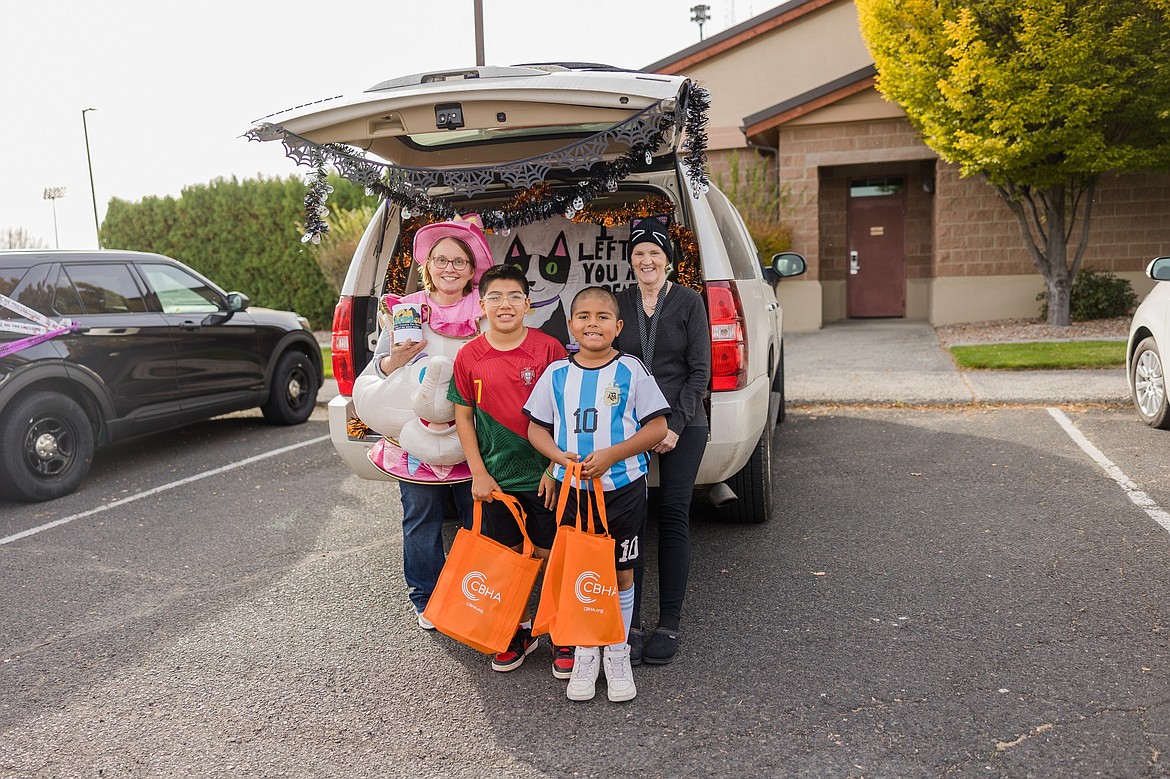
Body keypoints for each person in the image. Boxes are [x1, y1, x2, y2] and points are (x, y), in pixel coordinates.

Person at [524, 286, 670, 703]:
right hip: (574, 494)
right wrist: (557, 459)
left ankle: (618, 649)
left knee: (622, 570)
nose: (593, 323)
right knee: (580, 572)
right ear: (571, 325)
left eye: (603, 317)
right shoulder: (556, 375)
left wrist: (611, 455)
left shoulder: (632, 370)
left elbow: (656, 428)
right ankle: (587, 650)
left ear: (618, 326)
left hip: (622, 489)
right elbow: (537, 428)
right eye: (583, 316)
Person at [357, 214, 493, 630]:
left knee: (478, 517)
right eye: (441, 259)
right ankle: (427, 595)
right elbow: (377, 370)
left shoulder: (487, 309)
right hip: (415, 436)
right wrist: (395, 358)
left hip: (473, 434)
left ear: (473, 270)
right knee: (421, 516)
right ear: (427, 264)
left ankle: (477, 590)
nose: (449, 268)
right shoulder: (407, 310)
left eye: (459, 261)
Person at [449, 263, 568, 675]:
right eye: (495, 297)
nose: (505, 304)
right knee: (507, 558)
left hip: (544, 477)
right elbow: (463, 418)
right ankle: (514, 630)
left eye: (514, 296)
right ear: (481, 306)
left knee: (552, 552)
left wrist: (555, 466)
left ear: (528, 304)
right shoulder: (468, 356)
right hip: (496, 480)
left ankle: (558, 632)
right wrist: (478, 473)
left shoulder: (549, 348)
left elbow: (564, 413)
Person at [615, 214, 712, 666]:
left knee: (673, 512)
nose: (646, 260)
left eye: (654, 253)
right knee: (631, 520)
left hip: (683, 423)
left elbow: (700, 373)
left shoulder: (689, 302)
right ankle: (628, 623)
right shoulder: (620, 302)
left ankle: (668, 622)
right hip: (630, 426)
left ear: (668, 260)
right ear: (631, 262)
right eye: (638, 254)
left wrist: (673, 425)